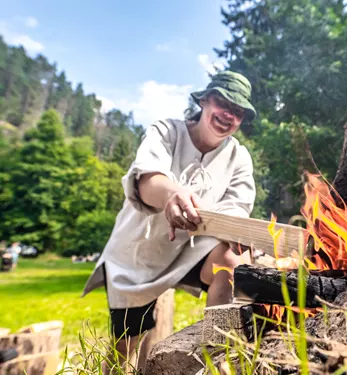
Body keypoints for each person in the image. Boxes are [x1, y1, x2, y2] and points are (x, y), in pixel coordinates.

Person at [82, 71, 257, 371]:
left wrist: (238, 228)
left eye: (237, 111)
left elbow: (237, 208)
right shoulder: (167, 131)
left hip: (191, 250)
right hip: (139, 253)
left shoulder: (239, 157)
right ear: (203, 101)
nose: (228, 115)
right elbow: (147, 180)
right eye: (222, 102)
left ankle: (217, 356)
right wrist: (172, 194)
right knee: (127, 347)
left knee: (228, 260)